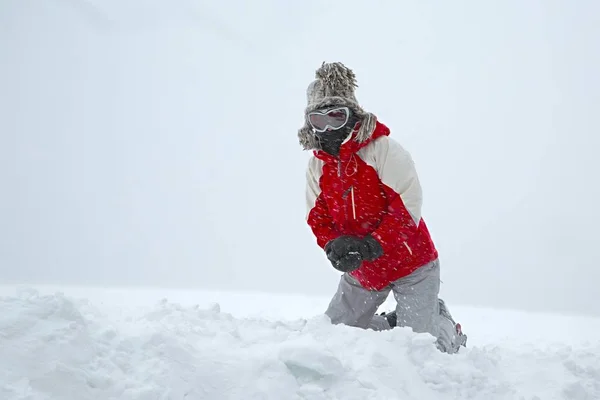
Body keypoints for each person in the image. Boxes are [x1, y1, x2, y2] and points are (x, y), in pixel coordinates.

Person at [299, 62, 467, 354]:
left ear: (352, 115)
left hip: (411, 264)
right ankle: (392, 324)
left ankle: (443, 326)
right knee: (334, 336)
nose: (327, 128)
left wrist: (370, 246)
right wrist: (334, 245)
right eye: (318, 120)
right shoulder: (317, 165)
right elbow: (317, 216)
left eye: (336, 117)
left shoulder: (383, 150)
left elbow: (407, 206)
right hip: (364, 271)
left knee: (422, 349)